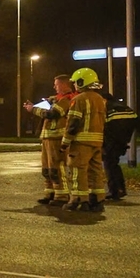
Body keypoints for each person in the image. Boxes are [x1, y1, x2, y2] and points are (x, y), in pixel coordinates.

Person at [24, 74, 75, 206]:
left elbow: (52, 114)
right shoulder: (57, 99)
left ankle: (62, 195)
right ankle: (50, 192)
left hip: (57, 138)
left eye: (57, 84)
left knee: (57, 167)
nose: (54, 87)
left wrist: (33, 109)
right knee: (47, 168)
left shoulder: (67, 99)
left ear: (64, 85)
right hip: (48, 138)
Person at [61, 68, 107, 212]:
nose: (74, 85)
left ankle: (79, 200)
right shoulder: (100, 99)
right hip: (97, 141)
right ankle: (97, 200)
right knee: (96, 171)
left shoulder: (78, 99)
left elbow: (73, 123)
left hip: (81, 142)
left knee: (77, 171)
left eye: (75, 82)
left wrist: (65, 142)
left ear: (82, 82)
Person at [100, 92, 137, 201]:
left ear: (104, 100)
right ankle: (120, 189)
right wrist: (125, 139)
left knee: (110, 164)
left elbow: (105, 127)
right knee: (114, 164)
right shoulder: (124, 108)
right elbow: (135, 119)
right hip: (122, 140)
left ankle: (115, 191)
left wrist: (104, 143)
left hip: (112, 141)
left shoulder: (108, 109)